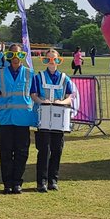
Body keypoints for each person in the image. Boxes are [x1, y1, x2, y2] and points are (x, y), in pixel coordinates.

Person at [32, 49, 75, 192]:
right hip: (43, 118)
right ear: (45, 60)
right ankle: (41, 182)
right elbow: (33, 94)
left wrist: (62, 102)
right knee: (44, 150)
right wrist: (41, 101)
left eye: (54, 59)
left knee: (57, 149)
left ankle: (53, 180)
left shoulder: (64, 78)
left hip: (59, 118)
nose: (52, 62)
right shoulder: (39, 77)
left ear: (58, 60)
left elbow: (70, 96)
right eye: (49, 59)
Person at [0, 46, 35, 194]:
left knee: (22, 153)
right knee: (5, 153)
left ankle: (17, 182)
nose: (16, 57)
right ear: (9, 56)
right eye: (12, 54)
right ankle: (7, 183)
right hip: (6, 119)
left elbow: (34, 95)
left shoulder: (30, 74)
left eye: (19, 54)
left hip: (23, 119)